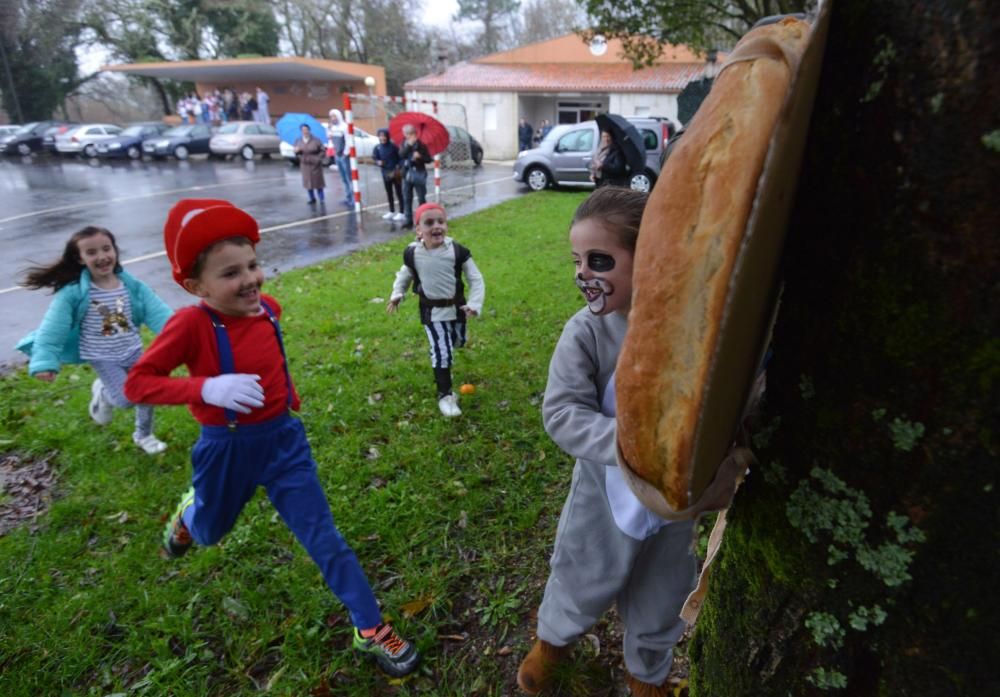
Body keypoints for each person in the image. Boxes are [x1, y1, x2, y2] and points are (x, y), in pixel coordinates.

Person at [123, 199, 421, 678]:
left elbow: (273, 359)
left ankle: (369, 628)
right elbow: (137, 383)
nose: (250, 280)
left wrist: (289, 402)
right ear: (195, 286)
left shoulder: (268, 311)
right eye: (230, 274)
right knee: (211, 533)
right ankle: (189, 515)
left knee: (324, 537)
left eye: (253, 265)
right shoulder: (190, 325)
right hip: (226, 449)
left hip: (283, 443)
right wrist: (206, 388)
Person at [516, 187, 696, 697]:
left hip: (673, 503)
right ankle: (552, 646)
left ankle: (647, 678)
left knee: (663, 594)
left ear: (653, 255)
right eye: (577, 261)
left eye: (600, 260)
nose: (583, 274)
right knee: (580, 573)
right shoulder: (586, 334)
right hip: (604, 496)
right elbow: (562, 411)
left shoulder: (689, 330)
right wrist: (630, 445)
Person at [15, 226, 172, 455]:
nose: (101, 256)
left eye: (106, 248)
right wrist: (44, 361)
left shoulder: (132, 286)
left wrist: (185, 339)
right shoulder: (73, 293)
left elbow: (160, 314)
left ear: (115, 251)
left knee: (147, 393)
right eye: (91, 252)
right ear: (80, 258)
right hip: (103, 356)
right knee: (127, 399)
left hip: (133, 350)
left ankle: (143, 435)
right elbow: (52, 328)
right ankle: (103, 393)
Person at [386, 203, 484, 418]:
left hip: (458, 309)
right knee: (443, 353)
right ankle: (445, 396)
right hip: (432, 313)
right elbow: (405, 274)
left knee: (457, 342)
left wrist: (475, 304)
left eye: (440, 221)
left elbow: (475, 279)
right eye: (429, 223)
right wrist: (397, 293)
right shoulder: (413, 254)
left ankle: (446, 345)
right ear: (418, 230)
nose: (436, 227)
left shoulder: (458, 252)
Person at [399, 124, 431, 228]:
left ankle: (423, 219)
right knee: (407, 198)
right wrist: (408, 146)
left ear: (415, 134)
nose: (408, 136)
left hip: (419, 174)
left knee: (421, 197)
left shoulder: (421, 145)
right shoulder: (404, 144)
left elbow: (428, 159)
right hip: (407, 174)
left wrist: (420, 156)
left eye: (410, 134)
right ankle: (408, 220)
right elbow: (401, 155)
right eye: (406, 134)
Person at [373, 128, 405, 221]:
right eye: (380, 136)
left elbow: (401, 158)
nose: (382, 138)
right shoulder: (377, 147)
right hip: (385, 173)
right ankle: (391, 211)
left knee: (399, 193)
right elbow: (375, 158)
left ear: (387, 136)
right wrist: (378, 162)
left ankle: (402, 212)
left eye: (384, 135)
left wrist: (398, 167)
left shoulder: (393, 146)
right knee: (389, 192)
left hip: (395, 173)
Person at [327, 109, 354, 207]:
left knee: (349, 178)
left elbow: (348, 141)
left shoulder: (345, 127)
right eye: (331, 117)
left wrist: (345, 153)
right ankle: (348, 197)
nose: (332, 118)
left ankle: (353, 199)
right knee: (343, 178)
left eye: (334, 116)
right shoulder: (332, 128)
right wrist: (329, 129)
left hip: (344, 156)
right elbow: (329, 140)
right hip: (337, 155)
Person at [293, 123, 326, 205]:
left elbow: (323, 150)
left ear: (309, 130)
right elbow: (296, 152)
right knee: (308, 182)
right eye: (303, 130)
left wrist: (318, 158)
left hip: (315, 163)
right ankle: (312, 198)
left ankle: (321, 198)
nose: (305, 131)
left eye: (306, 130)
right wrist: (297, 152)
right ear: (301, 131)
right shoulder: (298, 140)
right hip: (305, 164)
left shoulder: (316, 140)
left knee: (318, 182)